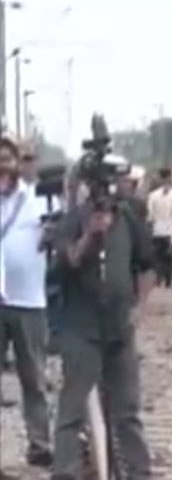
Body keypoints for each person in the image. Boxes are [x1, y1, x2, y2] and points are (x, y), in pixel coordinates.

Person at [52, 170, 155, 479]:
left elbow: (146, 265)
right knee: (71, 409)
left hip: (120, 329)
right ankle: (66, 472)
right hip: (81, 329)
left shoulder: (129, 220)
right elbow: (66, 263)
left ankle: (139, 472)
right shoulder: (73, 220)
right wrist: (91, 236)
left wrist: (141, 307)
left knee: (128, 411)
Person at [0, 135, 53, 469]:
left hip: (29, 302)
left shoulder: (38, 202)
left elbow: (55, 241)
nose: (3, 165)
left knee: (33, 378)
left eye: (8, 159)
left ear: (19, 163)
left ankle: (39, 443)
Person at [146, 168, 172, 287]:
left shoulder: (153, 195)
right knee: (168, 257)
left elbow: (150, 215)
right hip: (170, 231)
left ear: (160, 178)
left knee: (157, 256)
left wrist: (150, 225)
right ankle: (168, 281)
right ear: (170, 178)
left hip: (157, 230)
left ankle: (158, 279)